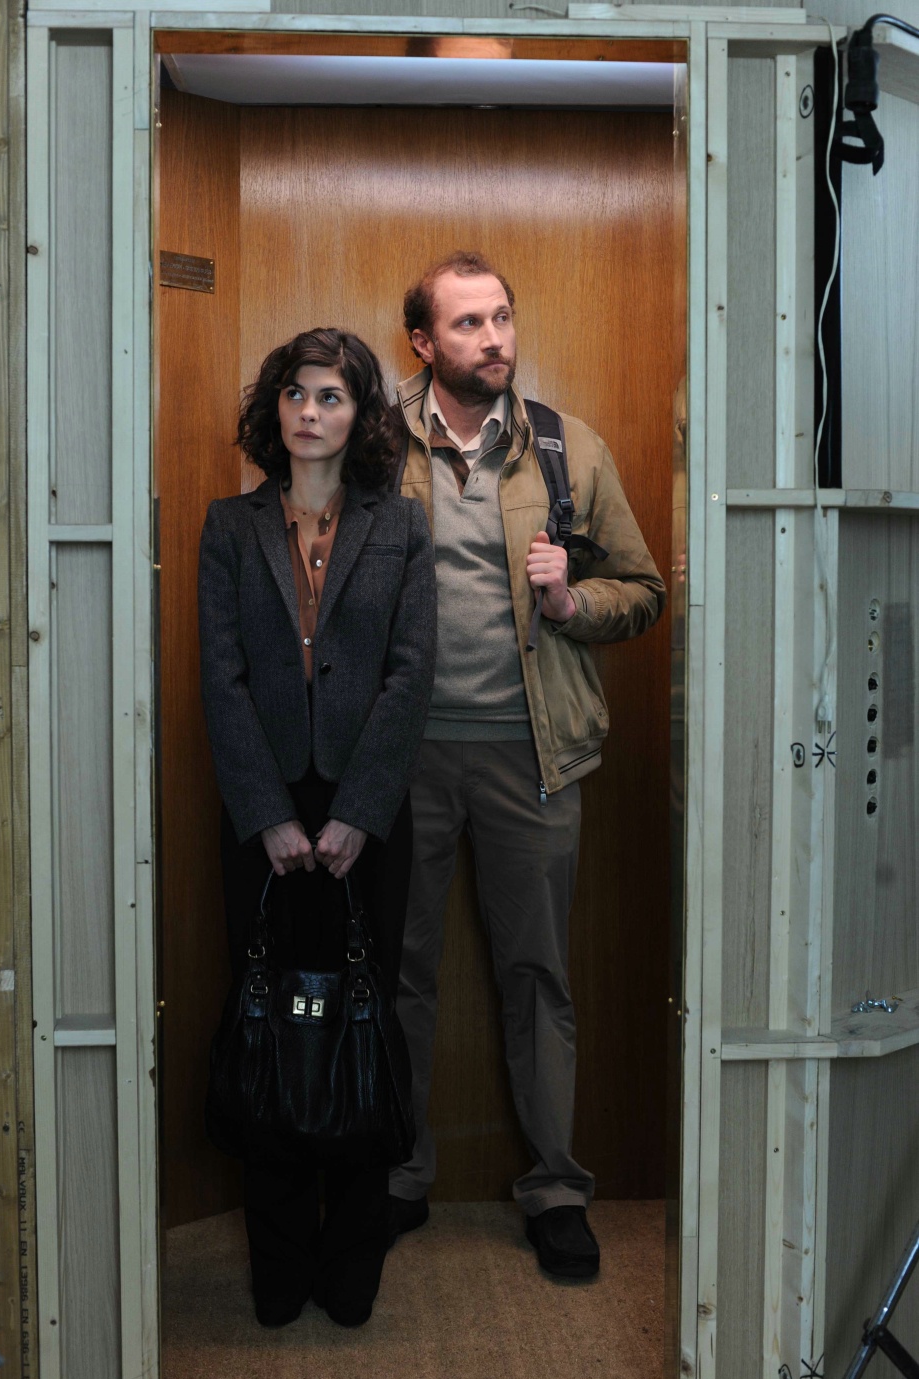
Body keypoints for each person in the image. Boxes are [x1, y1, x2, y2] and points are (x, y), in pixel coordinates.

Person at [388, 252, 666, 1279]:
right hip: (401, 759)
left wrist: (569, 600)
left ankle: (555, 1188)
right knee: (400, 973)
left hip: (533, 753)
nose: (493, 337)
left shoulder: (564, 446)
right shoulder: (376, 443)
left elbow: (643, 591)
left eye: (501, 316)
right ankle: (397, 1175)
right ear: (423, 342)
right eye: (467, 322)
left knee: (537, 975)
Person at [198, 328, 436, 1329]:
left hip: (363, 816)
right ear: (274, 409)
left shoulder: (403, 525)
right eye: (294, 393)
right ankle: (279, 1261)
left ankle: (351, 1259)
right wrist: (265, 814)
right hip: (262, 814)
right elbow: (221, 678)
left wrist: (356, 815)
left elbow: (409, 675)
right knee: (268, 1022)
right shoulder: (230, 524)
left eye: (330, 395)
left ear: (359, 413)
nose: (308, 411)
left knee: (361, 1023)